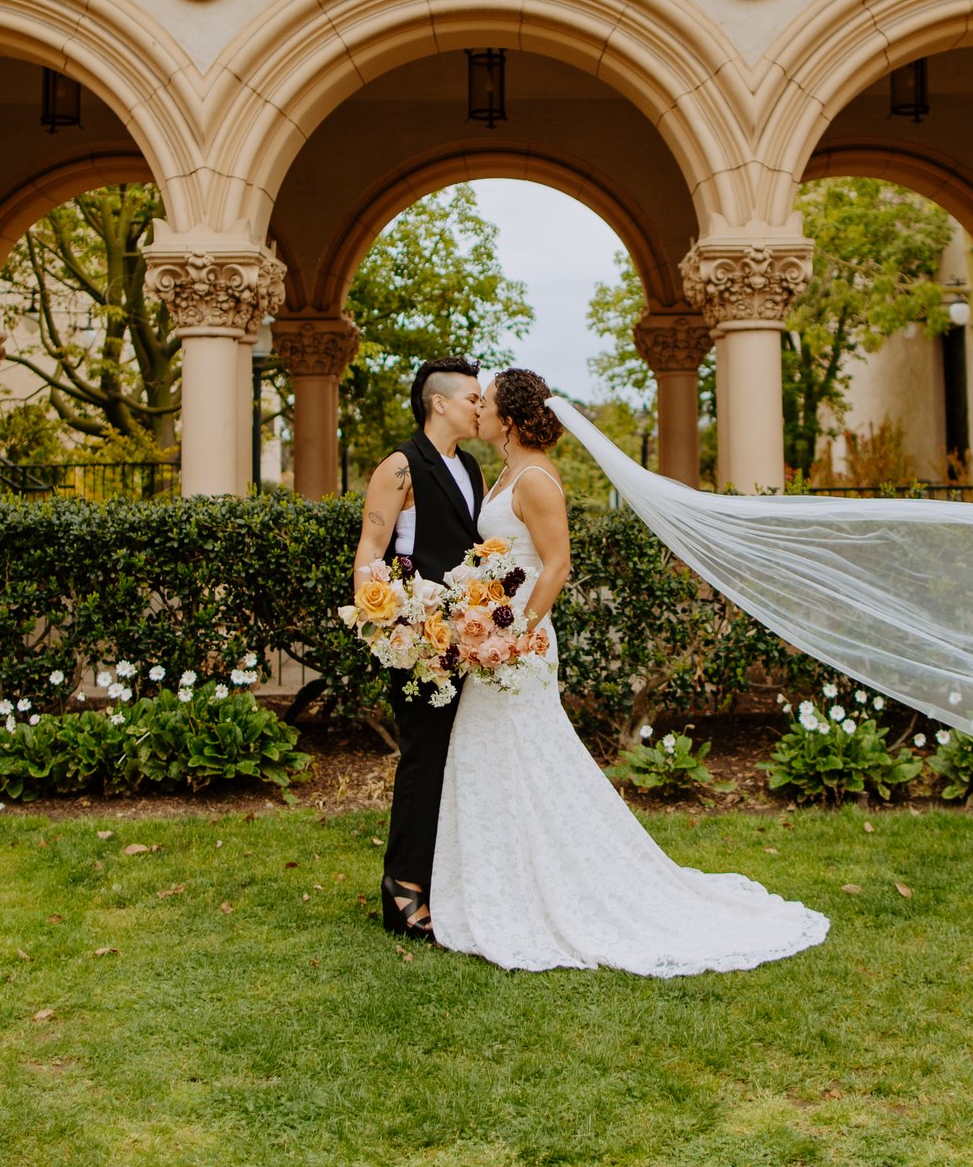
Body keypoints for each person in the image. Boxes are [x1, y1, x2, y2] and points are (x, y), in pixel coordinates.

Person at [429, 368, 830, 975]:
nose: (476, 411)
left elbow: (557, 565)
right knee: (496, 755)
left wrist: (516, 634)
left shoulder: (535, 478)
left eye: (484, 403)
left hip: (521, 644)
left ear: (507, 418)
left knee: (528, 752)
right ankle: (500, 884)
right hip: (496, 637)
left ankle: (554, 888)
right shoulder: (505, 473)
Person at [351, 356, 485, 939]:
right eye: (473, 398)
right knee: (423, 763)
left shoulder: (473, 467)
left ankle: (449, 884)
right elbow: (368, 555)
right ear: (440, 402)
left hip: (468, 641)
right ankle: (402, 891)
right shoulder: (400, 467)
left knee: (461, 764)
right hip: (417, 648)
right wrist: (388, 632)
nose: (481, 407)